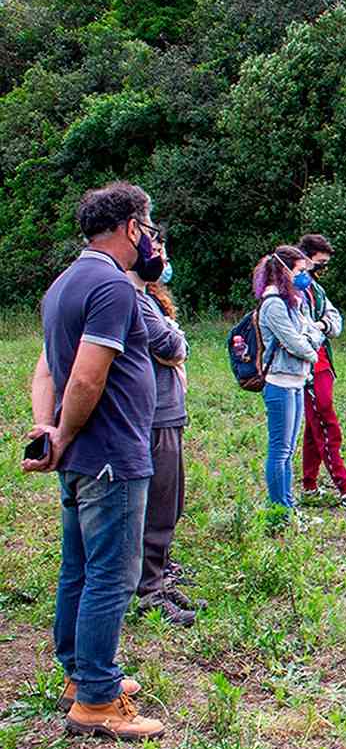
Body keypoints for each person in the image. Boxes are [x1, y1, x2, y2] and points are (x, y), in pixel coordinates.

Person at [22, 181, 165, 740]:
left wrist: (50, 430)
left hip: (80, 454)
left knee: (79, 568)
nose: (151, 240)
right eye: (148, 229)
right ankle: (97, 700)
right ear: (132, 227)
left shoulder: (62, 284)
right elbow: (85, 374)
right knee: (112, 574)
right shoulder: (112, 286)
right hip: (109, 455)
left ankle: (79, 675)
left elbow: (46, 372)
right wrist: (66, 428)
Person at [127, 240, 200, 626]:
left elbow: (174, 345)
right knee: (156, 506)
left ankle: (160, 576)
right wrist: (175, 338)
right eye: (157, 251)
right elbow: (170, 343)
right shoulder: (134, 299)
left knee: (170, 503)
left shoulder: (150, 299)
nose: (163, 260)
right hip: (153, 416)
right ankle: (149, 592)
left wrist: (175, 340)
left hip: (169, 413)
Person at [253, 245, 323, 518]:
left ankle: (288, 506)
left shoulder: (294, 301)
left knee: (289, 449)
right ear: (284, 270)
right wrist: (312, 344)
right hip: (279, 383)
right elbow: (298, 343)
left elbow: (311, 330)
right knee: (280, 450)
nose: (305, 276)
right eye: (300, 270)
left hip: (296, 380)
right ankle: (279, 510)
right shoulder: (273, 304)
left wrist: (311, 338)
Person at [297, 234, 346, 510]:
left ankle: (309, 484)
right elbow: (301, 329)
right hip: (307, 365)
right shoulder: (290, 290)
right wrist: (320, 326)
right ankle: (344, 487)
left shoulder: (317, 290)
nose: (321, 269)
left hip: (324, 363)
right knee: (326, 422)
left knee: (315, 426)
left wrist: (322, 325)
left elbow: (335, 320)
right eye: (319, 263)